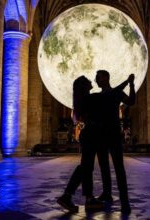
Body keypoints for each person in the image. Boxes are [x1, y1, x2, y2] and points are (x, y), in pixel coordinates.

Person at [57, 75, 133, 212]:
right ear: (84, 86)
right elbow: (111, 94)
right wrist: (127, 82)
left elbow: (110, 94)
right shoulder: (91, 98)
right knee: (85, 167)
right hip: (92, 136)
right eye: (88, 81)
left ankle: (82, 197)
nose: (92, 81)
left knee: (85, 168)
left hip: (90, 136)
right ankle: (79, 197)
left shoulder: (83, 99)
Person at [94, 70, 135, 214]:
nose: (95, 80)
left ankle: (125, 201)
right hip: (101, 135)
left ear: (105, 78)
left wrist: (131, 85)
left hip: (112, 134)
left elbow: (131, 101)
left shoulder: (114, 93)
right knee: (104, 166)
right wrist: (127, 83)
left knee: (119, 168)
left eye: (97, 77)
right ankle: (107, 193)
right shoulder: (102, 95)